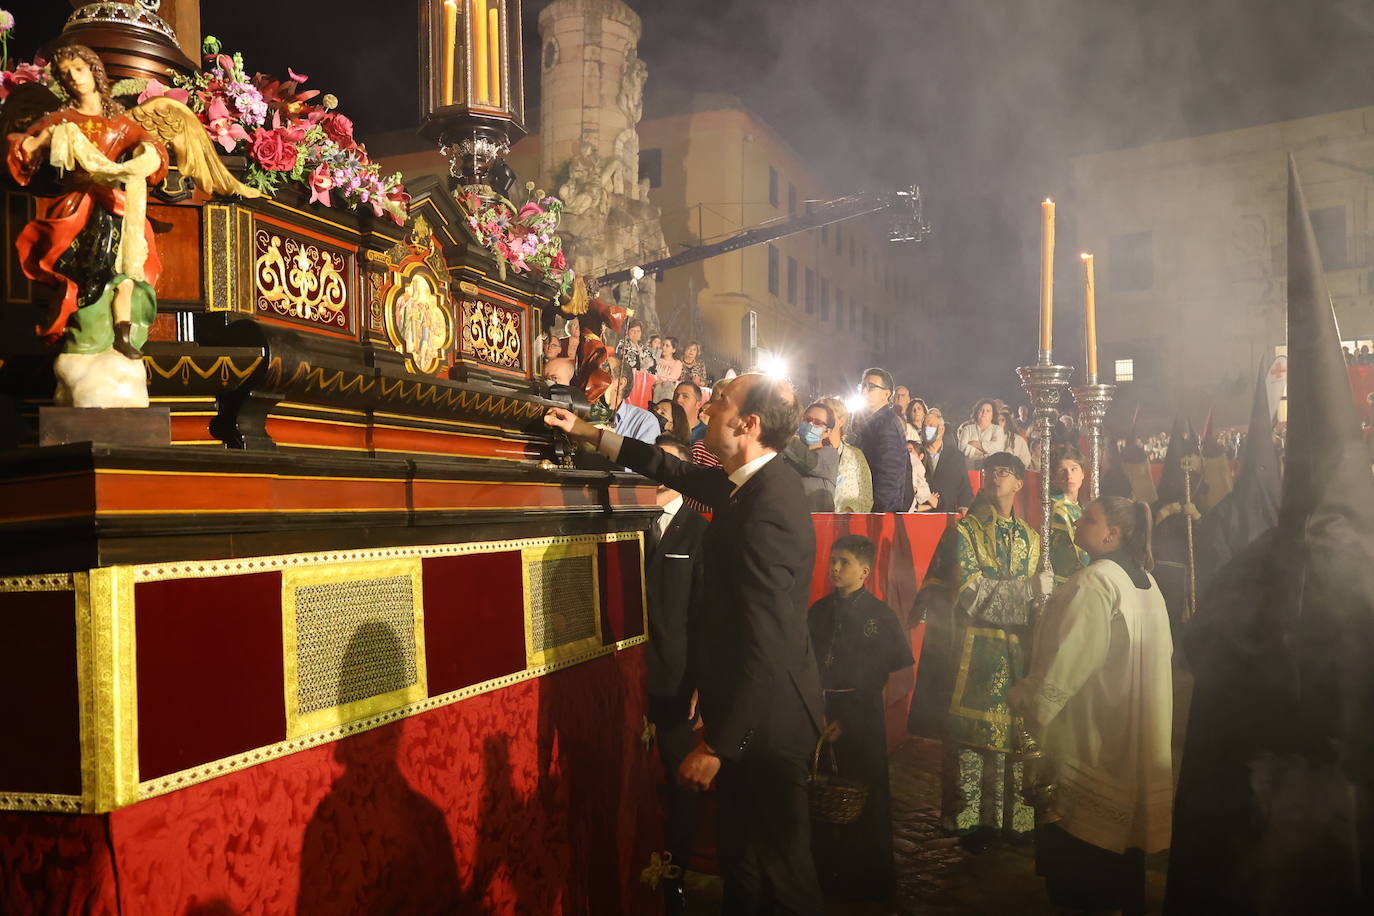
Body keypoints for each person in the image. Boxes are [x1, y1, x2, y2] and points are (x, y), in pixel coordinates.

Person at [544, 373, 826, 914]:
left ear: (749, 424)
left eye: (720, 401)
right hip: (748, 717)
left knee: (782, 881)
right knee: (743, 873)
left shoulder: (770, 506)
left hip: (767, 727)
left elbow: (767, 644)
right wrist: (588, 431)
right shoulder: (750, 481)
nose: (709, 407)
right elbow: (673, 470)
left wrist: (719, 744)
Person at [1010, 497, 1173, 916]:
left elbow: (1067, 664)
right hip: (1133, 736)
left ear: (1111, 534)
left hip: (1092, 740)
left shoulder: (1094, 582)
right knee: (1122, 857)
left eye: (1089, 518)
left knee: (1084, 862)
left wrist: (1028, 703)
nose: (1079, 522)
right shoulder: (1146, 582)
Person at [9, 44, 171, 358]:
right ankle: (83, 332)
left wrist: (148, 153)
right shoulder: (60, 119)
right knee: (86, 273)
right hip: (77, 207)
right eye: (66, 74)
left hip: (113, 206)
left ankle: (122, 333)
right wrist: (43, 139)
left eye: (79, 70)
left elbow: (151, 148)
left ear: (94, 71)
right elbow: (22, 150)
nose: (74, 78)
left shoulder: (120, 124)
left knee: (122, 270)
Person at [941, 452, 1049, 847]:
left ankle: (1014, 820)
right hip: (977, 650)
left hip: (1020, 652)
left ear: (1020, 482)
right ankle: (974, 823)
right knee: (976, 734)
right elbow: (969, 592)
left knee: (1016, 734)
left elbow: (1045, 602)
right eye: (988, 471)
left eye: (1004, 472)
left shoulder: (1034, 539)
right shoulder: (964, 532)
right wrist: (1030, 594)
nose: (994, 478)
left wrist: (1044, 601)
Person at [808, 535, 914, 902]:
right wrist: (815, 711)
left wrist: (849, 719)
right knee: (820, 793)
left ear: (865, 572)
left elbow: (885, 672)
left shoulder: (880, 616)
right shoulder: (818, 612)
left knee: (863, 794)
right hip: (818, 713)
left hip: (861, 716)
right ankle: (825, 875)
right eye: (833, 561)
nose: (835, 568)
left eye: (845, 562)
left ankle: (867, 881)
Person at [644, 435, 710, 915]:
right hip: (627, 676)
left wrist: (703, 682)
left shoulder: (700, 533)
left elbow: (709, 615)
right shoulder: (626, 522)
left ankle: (674, 874)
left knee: (679, 780)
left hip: (676, 683)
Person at [853, 367, 913, 513]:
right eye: (863, 386)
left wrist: (879, 514)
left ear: (886, 394)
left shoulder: (887, 424)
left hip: (878, 511)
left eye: (872, 387)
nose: (865, 391)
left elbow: (890, 475)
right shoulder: (870, 421)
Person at [782, 400, 839, 511]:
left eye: (817, 423)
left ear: (827, 432)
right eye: (807, 420)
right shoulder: (787, 453)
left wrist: (782, 434)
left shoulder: (830, 455)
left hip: (814, 524)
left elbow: (809, 462)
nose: (810, 425)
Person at [821, 396, 873, 513]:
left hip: (847, 527)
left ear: (841, 420)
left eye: (826, 412)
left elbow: (867, 497)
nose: (820, 416)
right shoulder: (805, 453)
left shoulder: (855, 456)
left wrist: (851, 513)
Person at [1049, 445, 1091, 584]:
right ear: (1054, 477)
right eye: (1062, 470)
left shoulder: (1082, 508)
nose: (1069, 476)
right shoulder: (1055, 508)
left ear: (1083, 474)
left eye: (1074, 469)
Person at [599, 354, 659, 445]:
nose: (594, 378)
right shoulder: (583, 406)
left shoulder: (644, 421)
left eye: (603, 372)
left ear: (620, 383)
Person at [924, 407, 973, 512]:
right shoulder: (915, 453)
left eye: (931, 426)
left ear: (941, 429)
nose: (926, 429)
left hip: (946, 514)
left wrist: (964, 506)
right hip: (919, 514)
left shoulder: (956, 457)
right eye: (924, 426)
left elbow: (964, 486)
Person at [956, 399, 1008, 468]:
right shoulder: (967, 429)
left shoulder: (998, 429)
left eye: (988, 411)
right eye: (981, 410)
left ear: (993, 415)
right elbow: (961, 448)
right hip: (969, 470)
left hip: (991, 470)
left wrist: (975, 443)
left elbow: (997, 448)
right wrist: (984, 453)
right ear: (977, 412)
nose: (984, 413)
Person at [906, 439, 938, 511]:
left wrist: (917, 490)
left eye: (910, 451)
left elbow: (935, 503)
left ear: (921, 456)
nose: (907, 454)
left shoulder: (927, 477)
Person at [653, 336, 683, 401]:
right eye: (663, 345)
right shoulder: (656, 359)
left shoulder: (677, 363)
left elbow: (673, 378)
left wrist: (661, 381)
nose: (663, 347)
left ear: (673, 350)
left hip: (665, 393)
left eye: (667, 346)